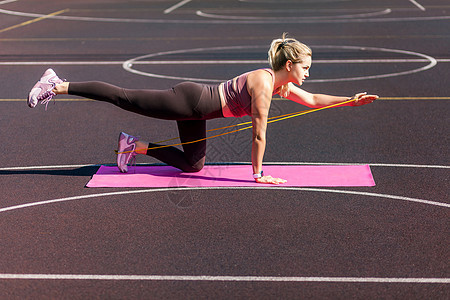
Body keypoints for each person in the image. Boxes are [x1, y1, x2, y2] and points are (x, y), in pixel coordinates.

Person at [27, 33, 379, 184]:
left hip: (199, 114)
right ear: (289, 64)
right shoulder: (262, 85)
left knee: (194, 166)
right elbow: (259, 133)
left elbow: (315, 100)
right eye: (305, 66)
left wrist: (351, 99)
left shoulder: (280, 84)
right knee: (125, 97)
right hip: (189, 100)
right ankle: (56, 84)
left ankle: (134, 146)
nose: (308, 72)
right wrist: (257, 174)